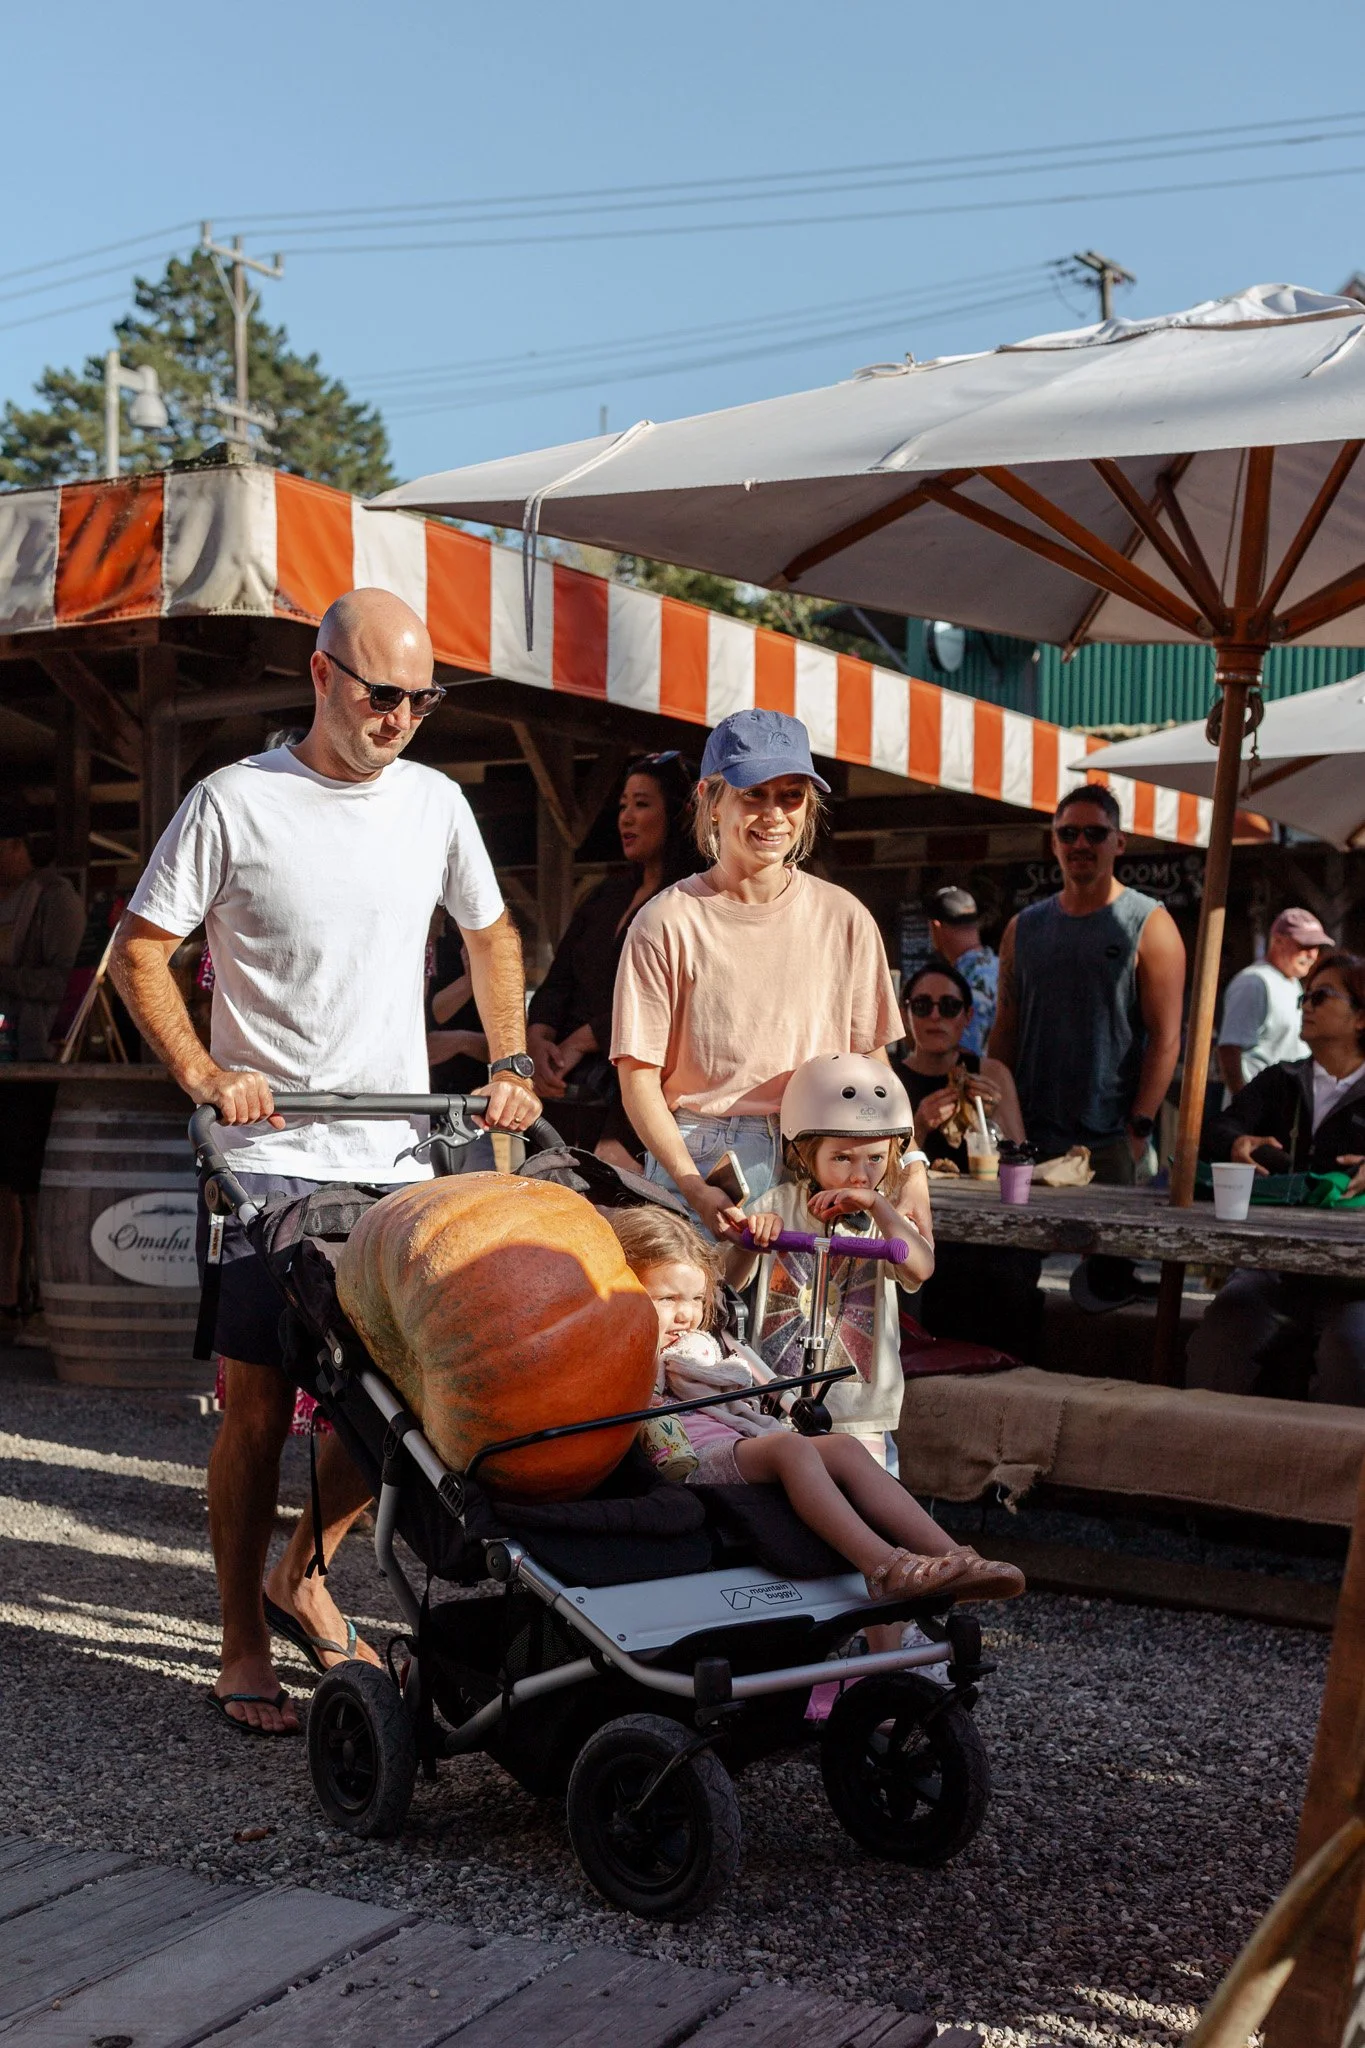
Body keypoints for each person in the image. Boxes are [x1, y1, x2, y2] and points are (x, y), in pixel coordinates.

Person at [111, 587, 542, 1736]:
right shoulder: (237, 801)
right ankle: (241, 1639)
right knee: (257, 1407)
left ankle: (301, 1567)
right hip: (268, 1157)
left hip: (395, 1154)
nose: (401, 716)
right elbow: (140, 952)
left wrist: (506, 1053)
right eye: (381, 693)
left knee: (396, 1406)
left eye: (421, 698)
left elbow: (490, 931)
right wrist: (207, 1074)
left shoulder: (436, 802)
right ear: (321, 674)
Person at [612, 708, 924, 1243]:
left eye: (791, 795)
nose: (774, 813)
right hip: (708, 1157)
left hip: (834, 1153)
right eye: (753, 793)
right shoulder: (665, 921)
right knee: (702, 1325)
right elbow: (638, 1078)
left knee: (819, 1328)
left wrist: (909, 1167)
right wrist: (691, 1183)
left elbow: (873, 1064)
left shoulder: (845, 917)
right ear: (711, 800)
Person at [610, 1204, 1023, 1604]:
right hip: (686, 1458)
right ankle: (884, 1568)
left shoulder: (695, 1346)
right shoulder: (620, 1349)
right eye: (666, 1299)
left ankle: (956, 1558)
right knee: (788, 1448)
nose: (685, 1314)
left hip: (733, 1443)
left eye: (696, 1299)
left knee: (844, 1446)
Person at [990, 783, 1186, 1312]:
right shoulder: (1023, 928)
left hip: (1109, 1134)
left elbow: (1167, 1036)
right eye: (1068, 833)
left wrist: (1140, 1125)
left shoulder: (1150, 923)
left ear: (1119, 842)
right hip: (1029, 1132)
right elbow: (1004, 1028)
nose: (1080, 843)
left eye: (1094, 833)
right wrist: (996, 1120)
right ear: (1052, 843)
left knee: (1107, 1288)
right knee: (1009, 1274)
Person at [724, 1053, 933, 1473]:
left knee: (871, 1503)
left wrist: (880, 1208)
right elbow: (726, 1282)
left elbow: (921, 1267)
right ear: (804, 1154)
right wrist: (753, 1238)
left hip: (860, 1416)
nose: (860, 1174)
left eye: (875, 1159)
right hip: (778, 1404)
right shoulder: (780, 1205)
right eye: (842, 1158)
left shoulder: (884, 1220)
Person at [1188, 950, 1365, 1404]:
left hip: (1354, 1278)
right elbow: (1215, 1129)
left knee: (1354, 1353)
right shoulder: (1280, 1081)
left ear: (1362, 1017)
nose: (1305, 1006)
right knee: (1219, 1340)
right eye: (1304, 997)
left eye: (1321, 996)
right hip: (1274, 1266)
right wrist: (1235, 1143)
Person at [528, 751, 696, 1153]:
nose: (627, 817)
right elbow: (557, 981)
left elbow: (680, 1003)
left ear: (676, 814)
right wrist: (538, 1040)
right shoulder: (604, 895)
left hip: (633, 1096)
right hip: (566, 1089)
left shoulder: (691, 901)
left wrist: (589, 1037)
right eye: (623, 805)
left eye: (642, 804)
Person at [894, 959, 1042, 1359]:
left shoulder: (990, 1072)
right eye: (922, 1006)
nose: (936, 1016)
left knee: (1012, 1271)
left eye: (949, 1006)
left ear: (967, 1016)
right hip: (923, 1224)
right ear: (906, 1015)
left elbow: (1019, 1158)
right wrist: (919, 1128)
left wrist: (993, 1114)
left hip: (987, 1232)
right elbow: (879, 1167)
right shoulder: (889, 1078)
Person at [0, 802, 84, 1337]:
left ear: (21, 846)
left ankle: (18, 1298)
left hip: (30, 1060)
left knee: (18, 1184)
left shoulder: (56, 898)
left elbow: (60, 985)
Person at [1216, 907, 1330, 1101]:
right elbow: (1229, 1050)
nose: (1312, 954)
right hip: (1258, 1109)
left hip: (1284, 1108)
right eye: (1305, 945)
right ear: (1278, 940)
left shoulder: (1293, 982)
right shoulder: (1253, 983)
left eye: (1316, 946)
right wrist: (1245, 1105)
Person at [928, 885, 998, 1057]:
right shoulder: (1002, 967)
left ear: (936, 927)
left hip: (979, 1080)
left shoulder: (960, 984)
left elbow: (967, 1056)